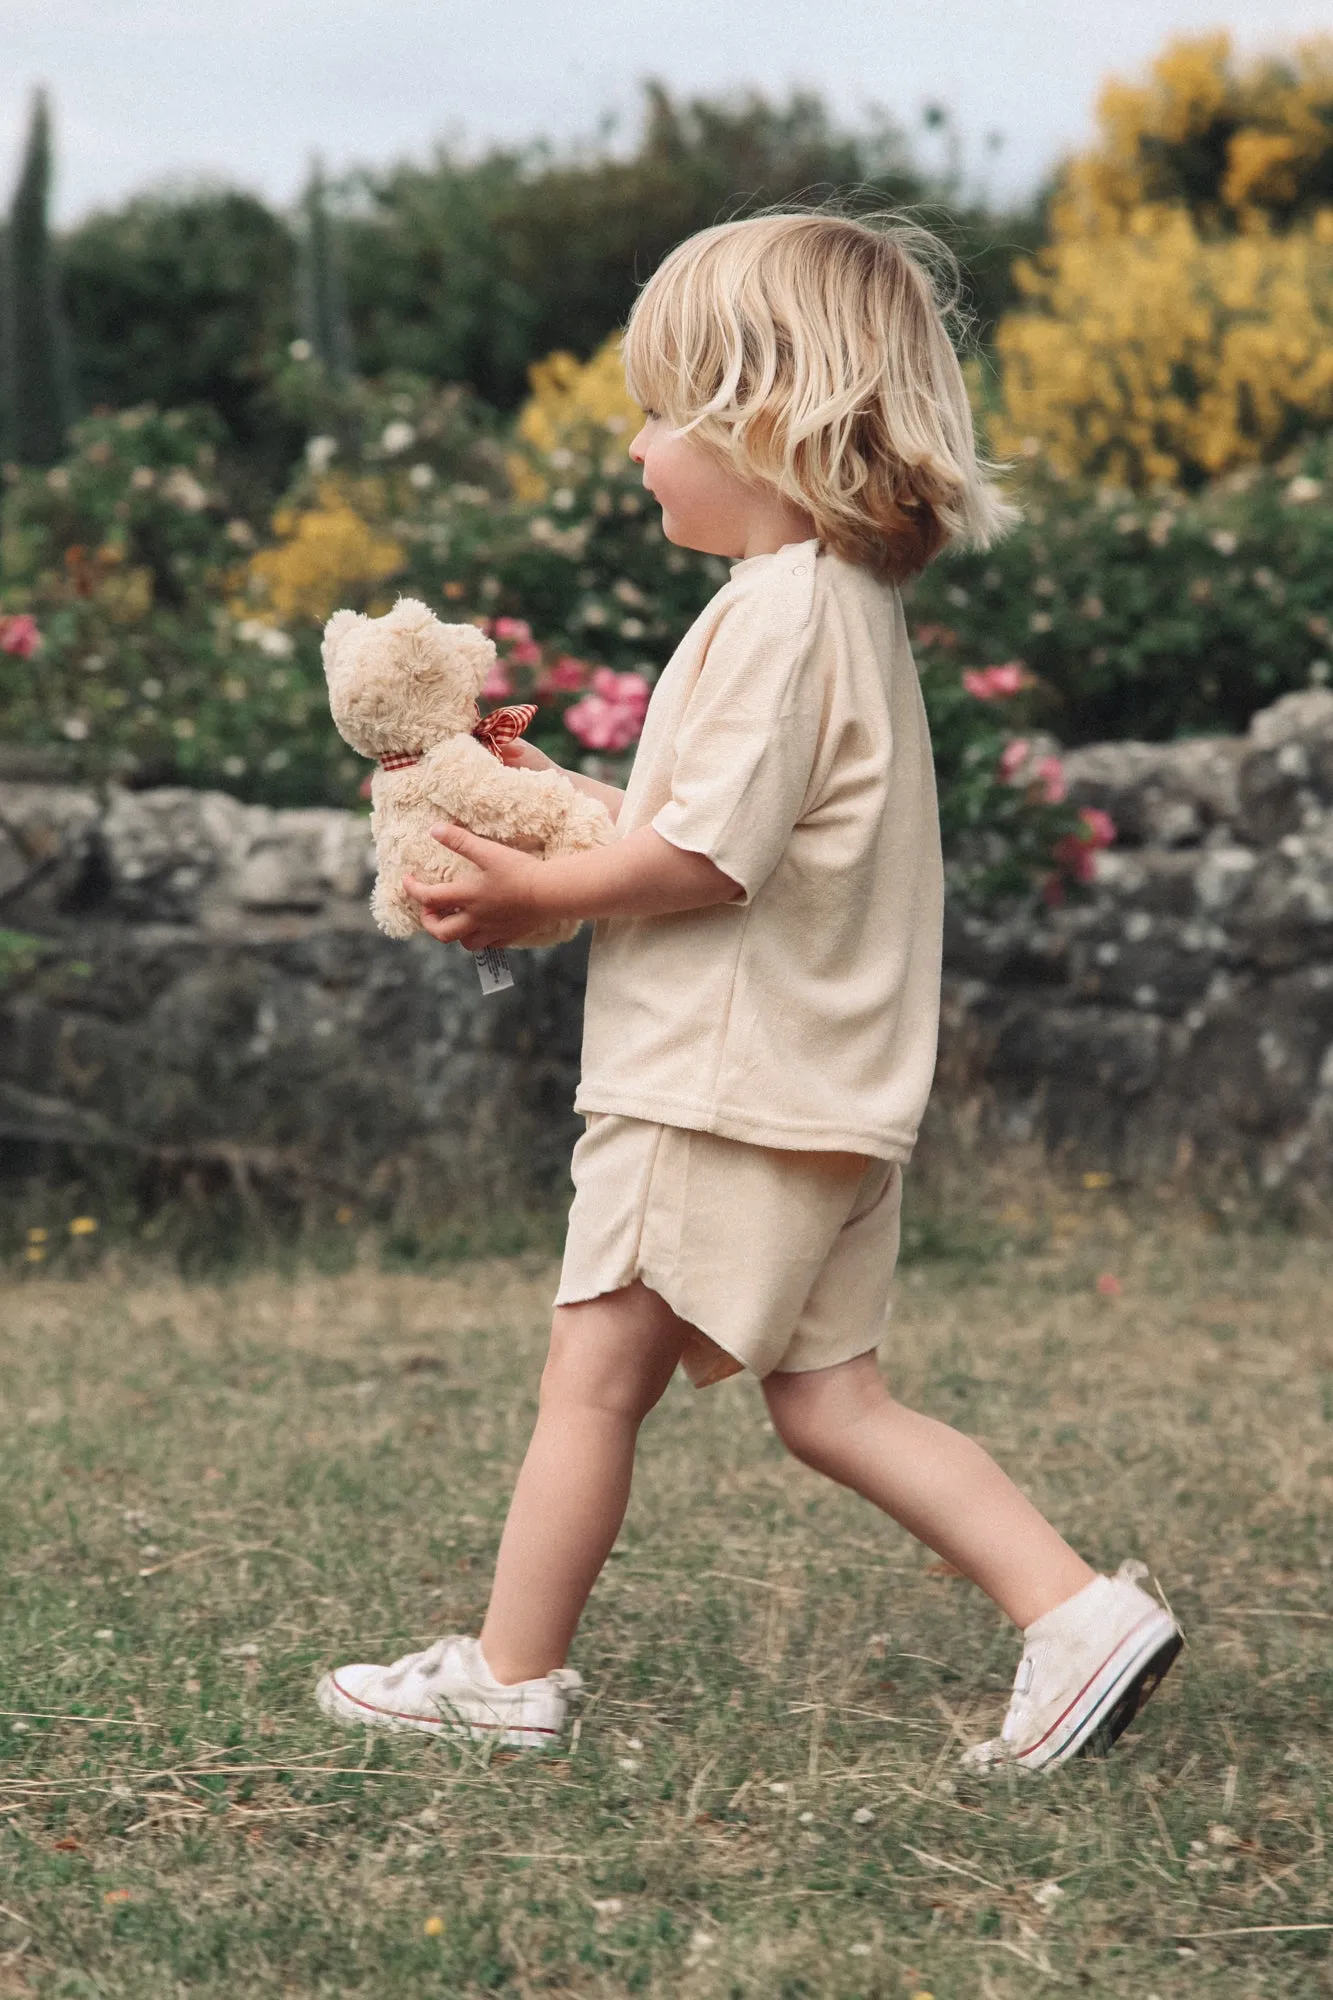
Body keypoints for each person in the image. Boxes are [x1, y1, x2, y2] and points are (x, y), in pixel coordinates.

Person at [315, 209, 1181, 1772]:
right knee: (832, 1401)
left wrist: (524, 889)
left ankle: (508, 1678)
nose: (638, 447)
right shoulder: (840, 609)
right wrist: (547, 799)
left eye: (660, 413)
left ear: (769, 416)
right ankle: (1075, 1616)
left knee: (589, 1378)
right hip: (827, 1092)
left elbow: (697, 866)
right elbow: (699, 833)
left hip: (710, 1086)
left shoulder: (776, 615)